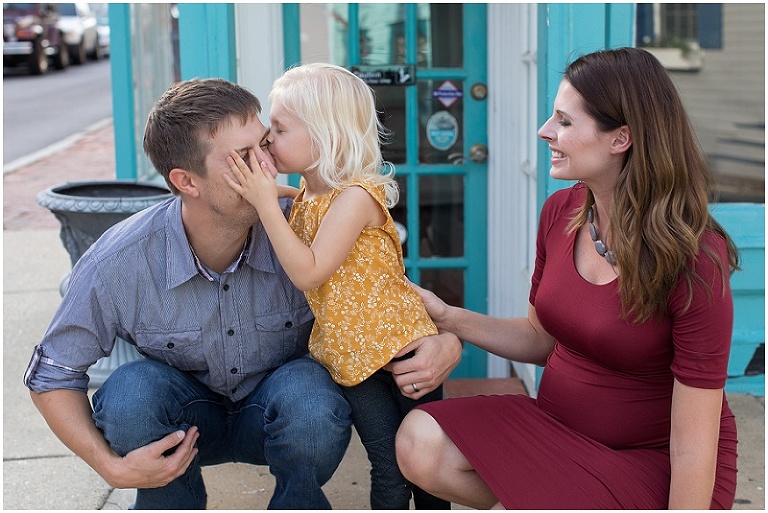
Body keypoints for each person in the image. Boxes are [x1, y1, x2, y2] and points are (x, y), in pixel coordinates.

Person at [23, 77, 462, 509]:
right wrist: (110, 467)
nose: (267, 167)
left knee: (311, 400)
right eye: (245, 158)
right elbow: (51, 375)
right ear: (187, 181)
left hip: (278, 410)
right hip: (187, 419)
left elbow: (384, 291)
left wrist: (447, 342)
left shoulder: (303, 225)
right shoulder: (120, 261)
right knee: (130, 396)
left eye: (266, 144)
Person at [395, 47, 740, 509]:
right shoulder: (562, 212)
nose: (544, 131)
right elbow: (539, 338)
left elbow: (694, 444)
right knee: (420, 442)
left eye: (564, 121)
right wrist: (449, 317)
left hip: (654, 461)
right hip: (555, 433)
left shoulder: (696, 259)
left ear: (621, 138)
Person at [225, 62, 456, 510]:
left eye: (280, 128)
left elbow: (310, 271)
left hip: (403, 345)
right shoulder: (310, 195)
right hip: (350, 355)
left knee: (426, 466)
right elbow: (309, 208)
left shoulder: (356, 197)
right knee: (387, 465)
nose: (268, 138)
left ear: (326, 137)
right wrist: (279, 195)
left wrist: (265, 203)